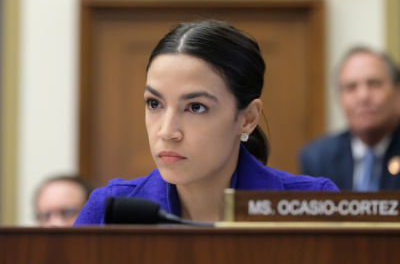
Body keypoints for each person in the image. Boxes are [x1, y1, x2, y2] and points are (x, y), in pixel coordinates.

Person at [74, 20, 338, 225]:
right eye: (155, 104)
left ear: (248, 119)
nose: (167, 132)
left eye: (196, 107)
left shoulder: (313, 204)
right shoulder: (108, 211)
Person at [300, 46, 400, 191]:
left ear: (397, 92)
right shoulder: (318, 158)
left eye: (374, 84)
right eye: (351, 87)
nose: (363, 96)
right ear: (339, 98)